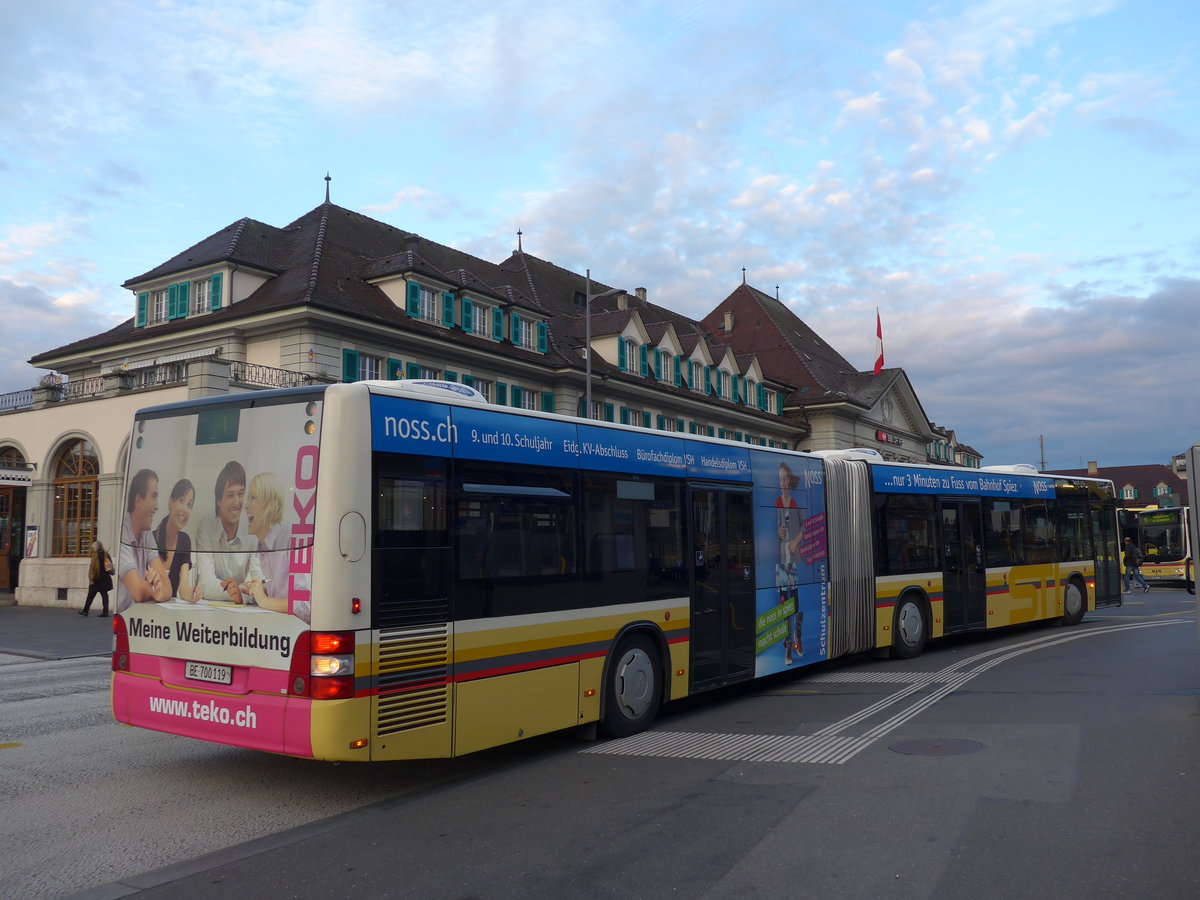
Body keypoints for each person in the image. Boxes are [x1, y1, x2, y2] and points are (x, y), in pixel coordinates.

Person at [242, 471, 310, 620]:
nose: (246, 506)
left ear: (269, 504)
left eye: (253, 498)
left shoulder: (293, 539)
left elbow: (305, 606)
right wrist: (255, 591)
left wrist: (264, 600)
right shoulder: (263, 544)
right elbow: (281, 593)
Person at [194, 461, 263, 603]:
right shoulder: (206, 525)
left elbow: (261, 586)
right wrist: (241, 591)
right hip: (210, 609)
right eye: (230, 495)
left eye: (240, 494)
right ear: (218, 500)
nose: (237, 502)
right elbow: (206, 586)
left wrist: (243, 593)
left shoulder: (252, 526)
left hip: (238, 611)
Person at [115, 469, 172, 613]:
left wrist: (158, 588)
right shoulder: (122, 532)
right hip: (123, 620)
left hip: (137, 619)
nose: (157, 506)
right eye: (153, 497)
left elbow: (168, 587)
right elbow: (138, 592)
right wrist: (156, 588)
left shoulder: (146, 533)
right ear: (139, 500)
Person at [153, 478, 201, 603]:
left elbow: (183, 586)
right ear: (170, 503)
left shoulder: (184, 541)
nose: (185, 509)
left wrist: (190, 594)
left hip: (169, 613)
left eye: (189, 505)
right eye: (181, 500)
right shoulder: (150, 540)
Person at [775, 462, 804, 665]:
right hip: (781, 563)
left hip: (793, 561)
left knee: (796, 605)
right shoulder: (777, 502)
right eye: (780, 479)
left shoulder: (795, 503)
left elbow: (805, 526)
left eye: (785, 479)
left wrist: (795, 541)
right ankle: (788, 648)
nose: (782, 483)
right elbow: (775, 530)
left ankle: (798, 637)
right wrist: (779, 534)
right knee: (784, 606)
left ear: (789, 480)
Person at [80, 540, 113, 617]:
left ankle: (85, 610)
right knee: (104, 595)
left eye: (93, 547)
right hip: (105, 578)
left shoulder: (95, 555)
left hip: (96, 578)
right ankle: (105, 612)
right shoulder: (106, 554)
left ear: (96, 548)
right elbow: (109, 565)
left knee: (90, 595)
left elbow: (92, 568)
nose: (92, 549)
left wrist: (91, 579)